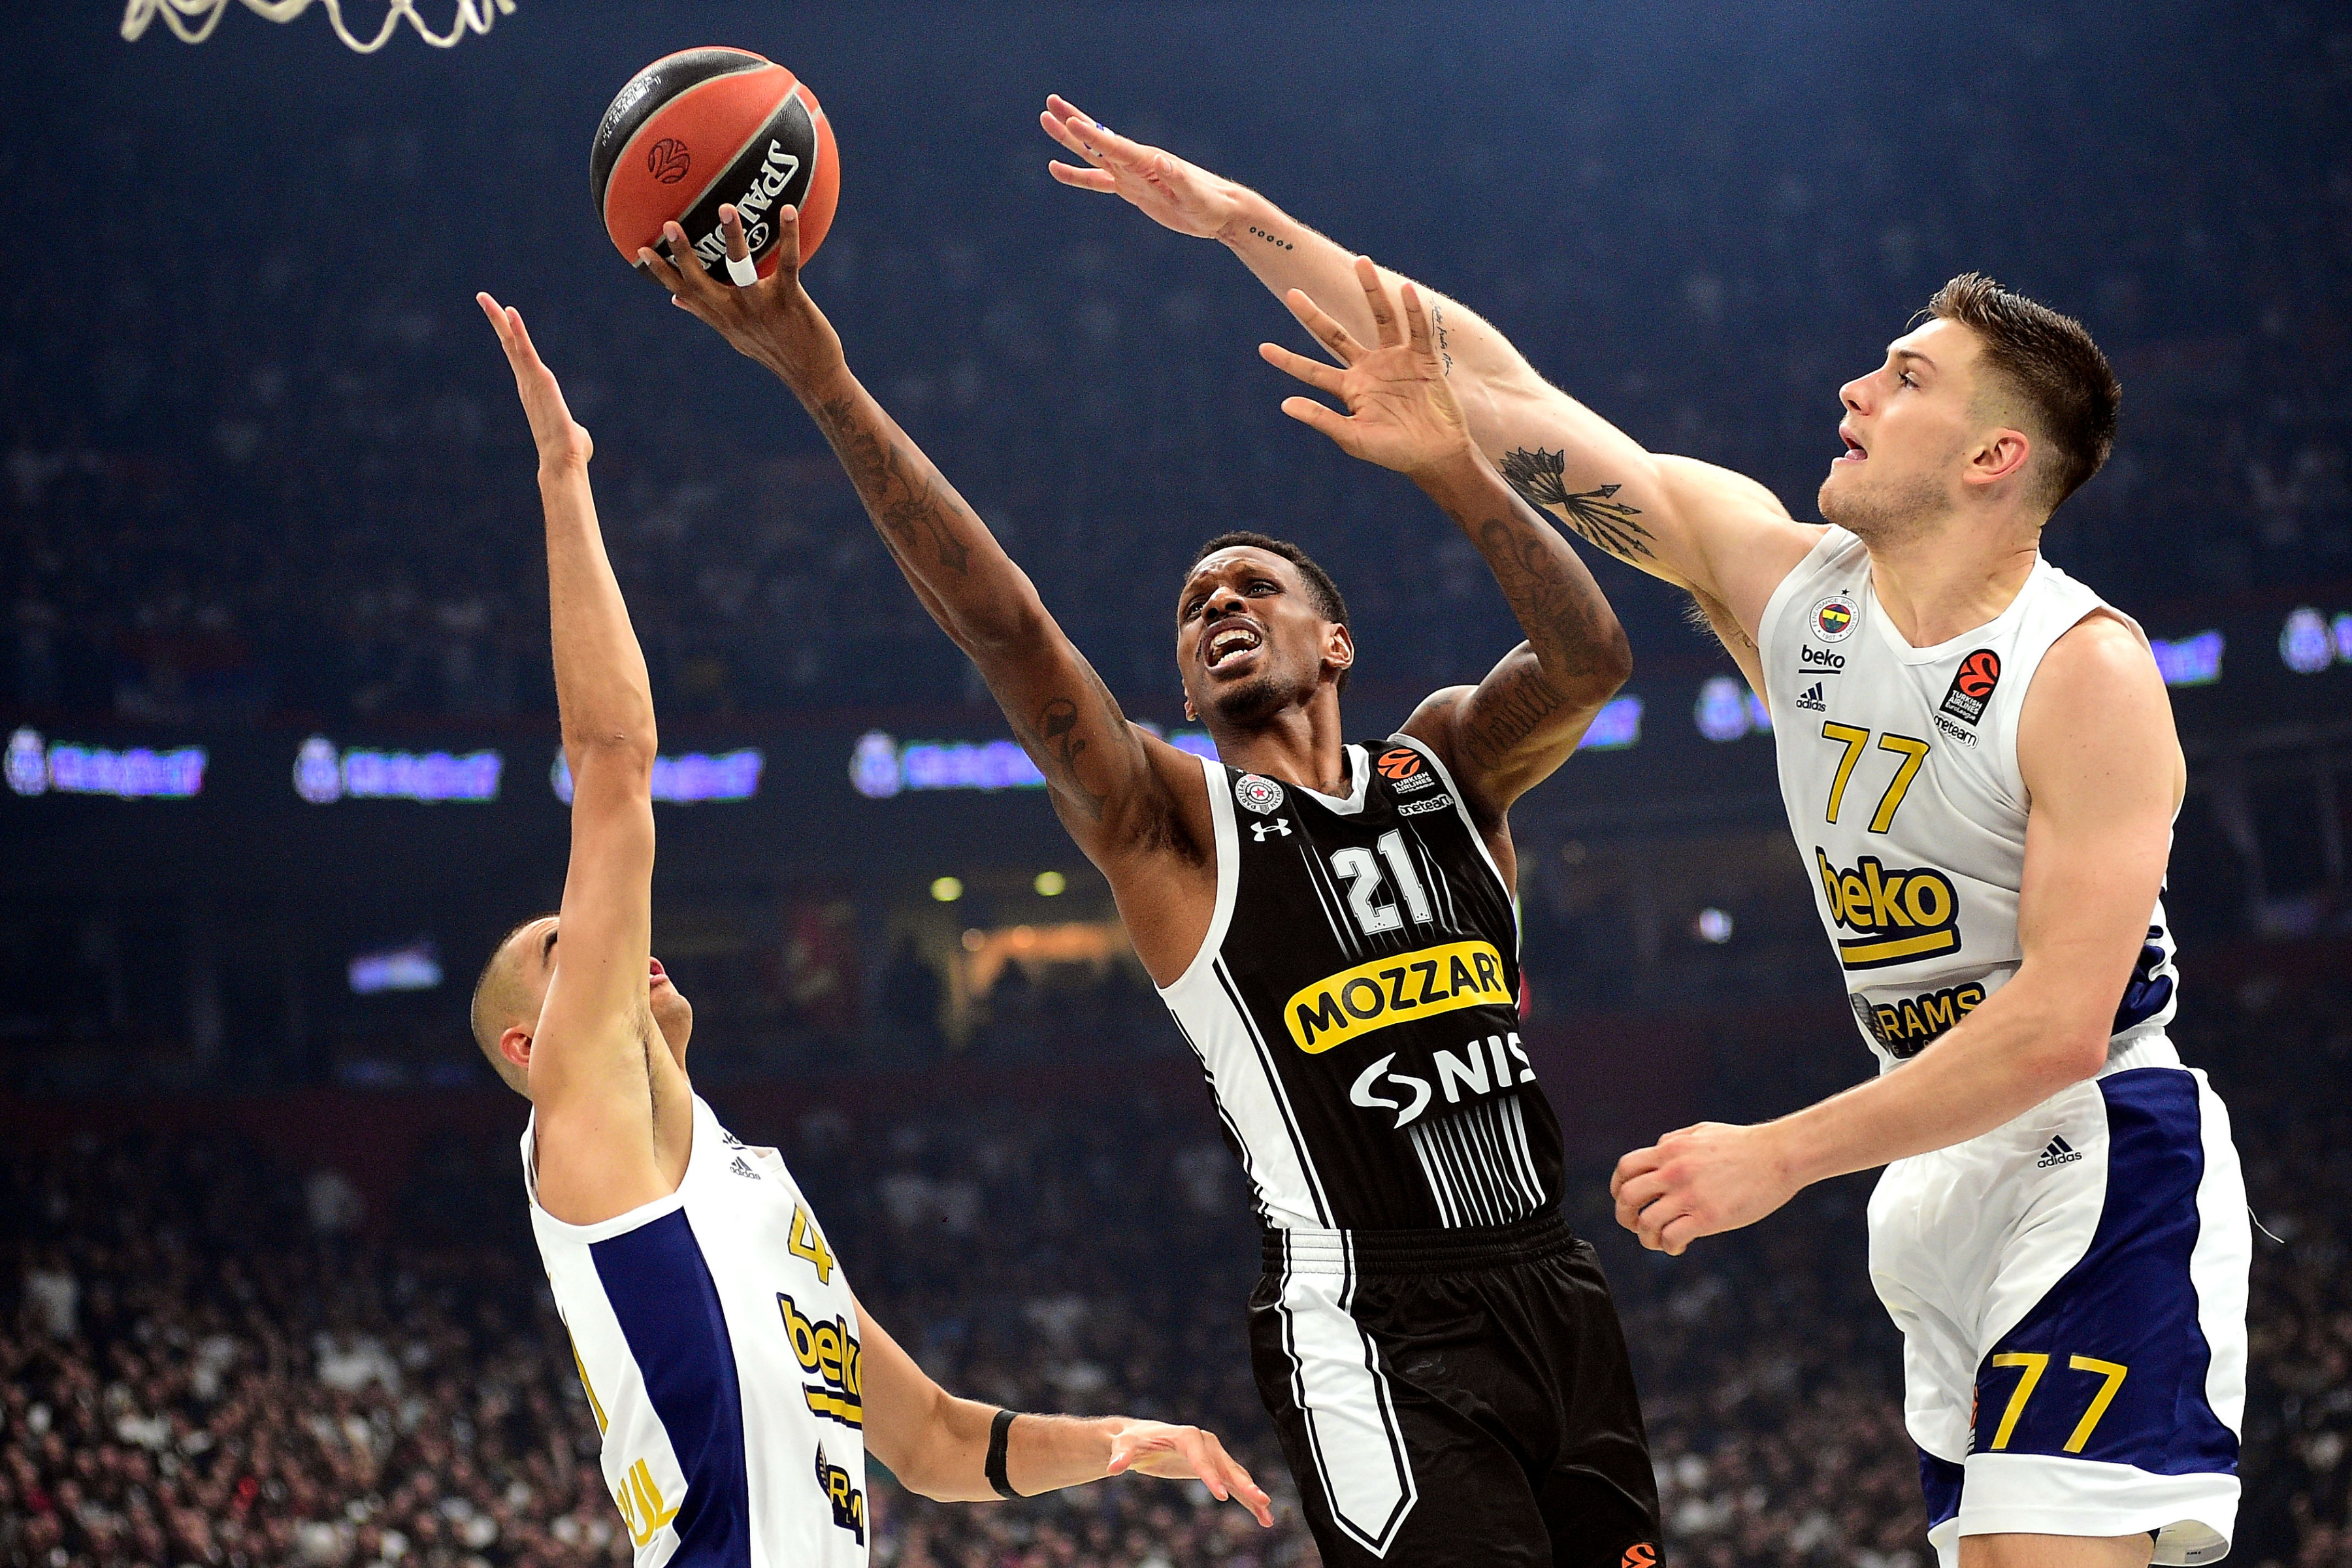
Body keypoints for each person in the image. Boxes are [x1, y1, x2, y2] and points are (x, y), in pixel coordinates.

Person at [1034, 100, 2253, 1568]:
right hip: (1933, 1170)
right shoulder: (1789, 590)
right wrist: (1240, 222)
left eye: (1906, 377)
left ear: (1997, 454)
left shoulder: (2084, 670)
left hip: (2093, 1147)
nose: (1857, 388)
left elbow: (2059, 1027)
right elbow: (1488, 385)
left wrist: (1777, 1157)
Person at [642, 202, 1659, 1568]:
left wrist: (1454, 466)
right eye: (1194, 607)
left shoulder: (1445, 766)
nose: (1220, 603)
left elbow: (1594, 660)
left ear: (1336, 641)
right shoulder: (1171, 824)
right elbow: (1005, 627)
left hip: (1557, 1286)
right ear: (1181, 690)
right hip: (1372, 1320)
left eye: (1253, 586)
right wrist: (824, 380)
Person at [463, 290, 1273, 1567]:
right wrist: (565, 479)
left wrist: (1123, 1439)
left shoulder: (749, 1190)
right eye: (566, 949)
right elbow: (614, 760)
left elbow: (940, 1443)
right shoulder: (586, 1136)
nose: (608, 937)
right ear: (530, 1048)